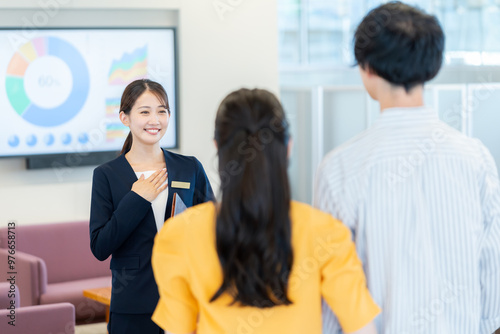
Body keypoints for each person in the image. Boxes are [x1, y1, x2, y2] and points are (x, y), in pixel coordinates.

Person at [315, 2, 500, 334]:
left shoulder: (340, 168)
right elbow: (491, 276)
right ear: (432, 65)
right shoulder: (476, 159)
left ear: (367, 67)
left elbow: (333, 292)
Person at [151, 88, 380, 334]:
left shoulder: (179, 235)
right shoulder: (326, 232)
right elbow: (362, 329)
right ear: (288, 147)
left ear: (217, 146)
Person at [89, 79, 214, 334]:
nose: (154, 119)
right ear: (125, 118)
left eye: (161, 111)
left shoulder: (189, 168)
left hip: (186, 298)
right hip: (134, 304)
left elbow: (214, 228)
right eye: (144, 111)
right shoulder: (107, 175)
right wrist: (137, 199)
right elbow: (101, 246)